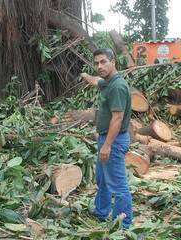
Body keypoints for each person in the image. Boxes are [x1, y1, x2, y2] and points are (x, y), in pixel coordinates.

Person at [80, 48, 133, 229]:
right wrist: (85, 74)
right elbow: (96, 81)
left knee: (118, 186)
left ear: (113, 62)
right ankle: (101, 212)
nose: (99, 66)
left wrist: (107, 145)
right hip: (106, 139)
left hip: (114, 142)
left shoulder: (117, 86)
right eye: (96, 63)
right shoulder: (108, 82)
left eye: (103, 62)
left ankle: (123, 224)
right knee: (102, 179)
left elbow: (117, 118)